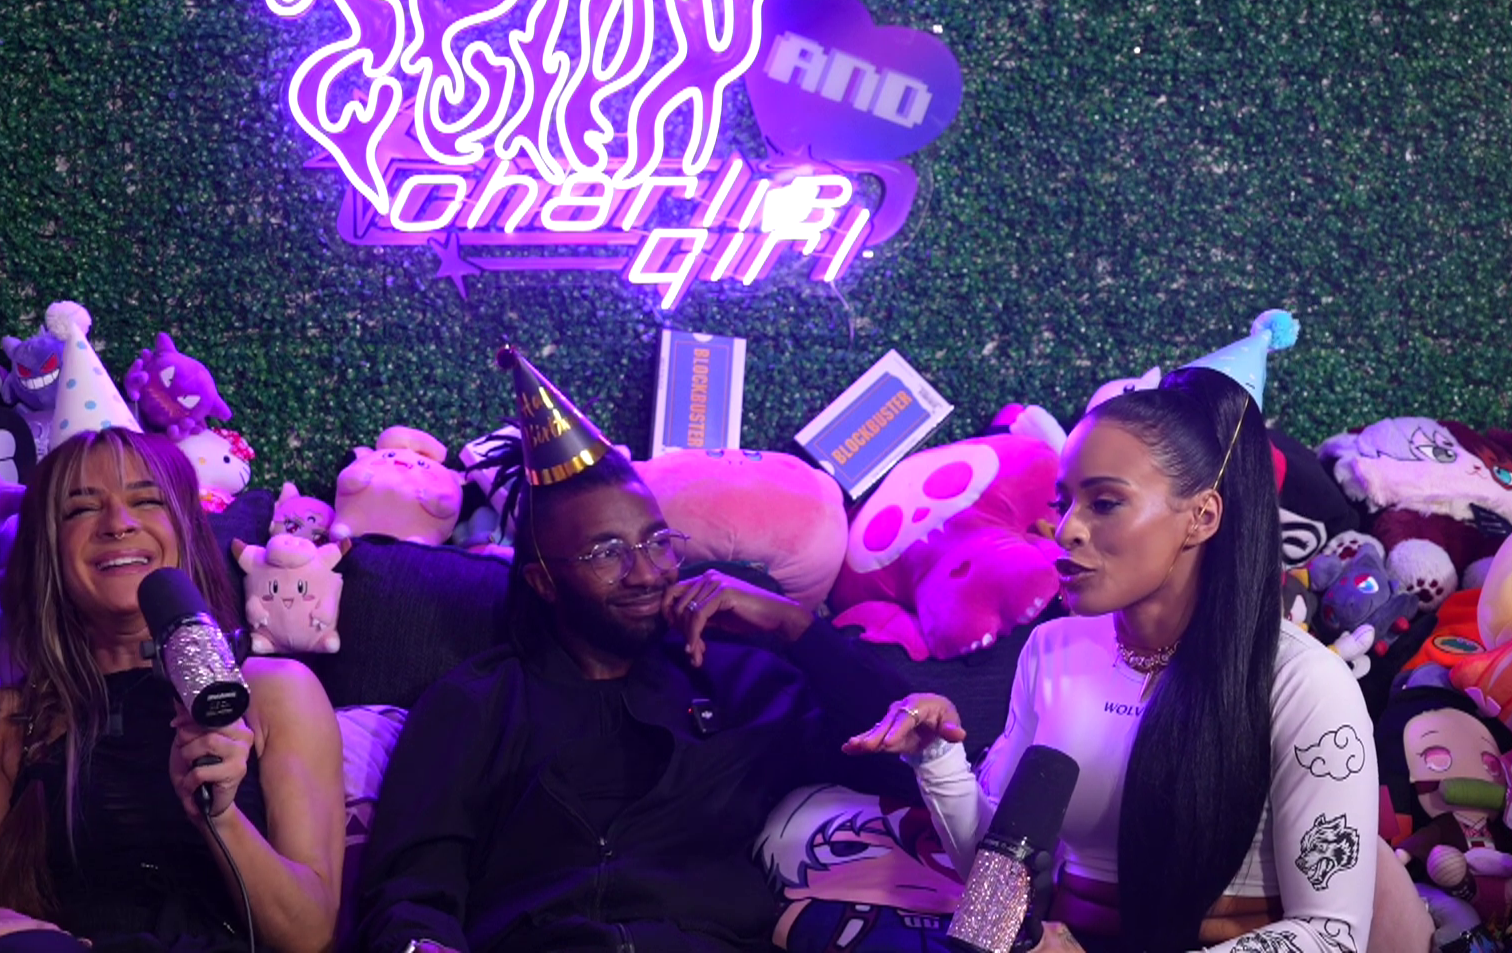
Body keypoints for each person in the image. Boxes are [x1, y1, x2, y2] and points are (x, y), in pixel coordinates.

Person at [354, 349, 910, 953]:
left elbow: (899, 756)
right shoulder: (476, 704)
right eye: (607, 554)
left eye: (657, 542)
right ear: (544, 581)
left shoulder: (739, 682)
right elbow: (410, 895)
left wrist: (795, 625)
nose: (646, 574)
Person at [847, 364, 1379, 953]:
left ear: (1202, 516)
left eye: (1104, 503)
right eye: (1063, 502)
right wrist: (937, 758)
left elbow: (1331, 937)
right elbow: (998, 890)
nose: (1065, 530)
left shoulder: (1304, 683)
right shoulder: (1052, 650)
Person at [0, 426, 347, 953]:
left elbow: (309, 935)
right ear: (48, 549)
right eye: (81, 509)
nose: (118, 523)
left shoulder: (273, 691)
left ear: (185, 529)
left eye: (146, 501)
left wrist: (221, 817)